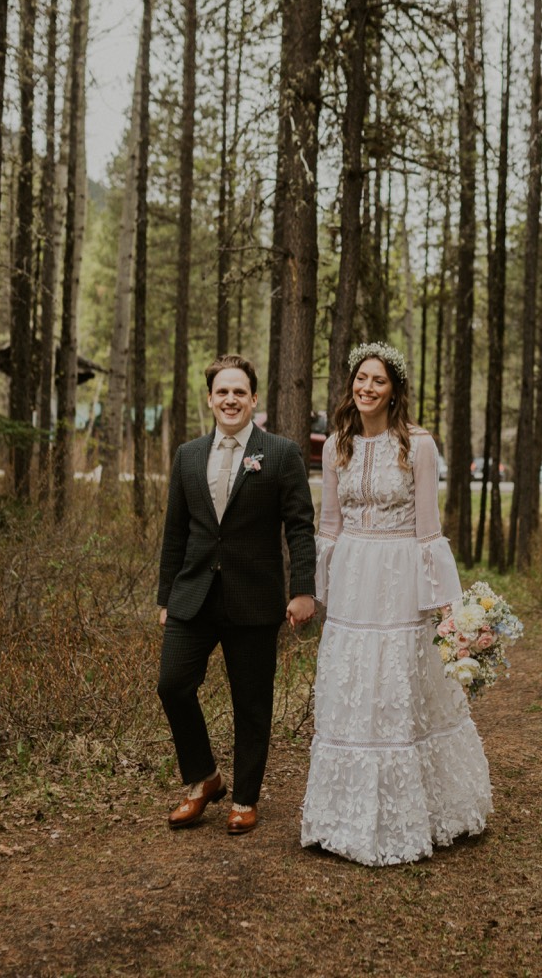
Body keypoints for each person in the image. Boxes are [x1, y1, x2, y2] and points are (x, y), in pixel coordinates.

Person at [300, 342, 492, 865]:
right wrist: (319, 592)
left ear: (394, 390)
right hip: (353, 578)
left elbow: (428, 530)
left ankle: (419, 813)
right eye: (361, 378)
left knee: (398, 687)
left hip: (400, 574)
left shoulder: (419, 445)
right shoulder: (337, 443)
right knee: (354, 684)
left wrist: (448, 608)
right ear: (351, 385)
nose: (367, 388)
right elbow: (330, 525)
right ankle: (343, 815)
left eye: (378, 381)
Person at [156, 354, 317, 836]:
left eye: (239, 392)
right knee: (172, 685)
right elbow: (175, 533)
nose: (230, 399)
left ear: (253, 399)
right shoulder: (187, 455)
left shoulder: (282, 453)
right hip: (193, 595)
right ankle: (204, 778)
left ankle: (245, 798)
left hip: (253, 598)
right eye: (222, 392)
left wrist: (303, 590)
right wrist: (166, 597)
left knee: (252, 702)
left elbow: (301, 529)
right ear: (210, 399)